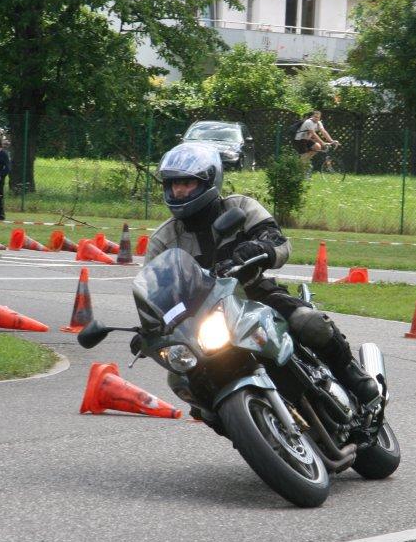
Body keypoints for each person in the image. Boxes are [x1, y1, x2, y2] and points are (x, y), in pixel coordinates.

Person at [145, 143, 379, 407]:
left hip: (254, 295)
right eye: (174, 184)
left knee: (308, 322)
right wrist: (149, 328)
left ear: (210, 181)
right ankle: (231, 419)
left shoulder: (240, 206)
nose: (179, 190)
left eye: (188, 183)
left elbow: (277, 240)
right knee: (185, 381)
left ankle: (351, 372)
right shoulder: (163, 239)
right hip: (201, 318)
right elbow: (153, 292)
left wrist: (260, 247)